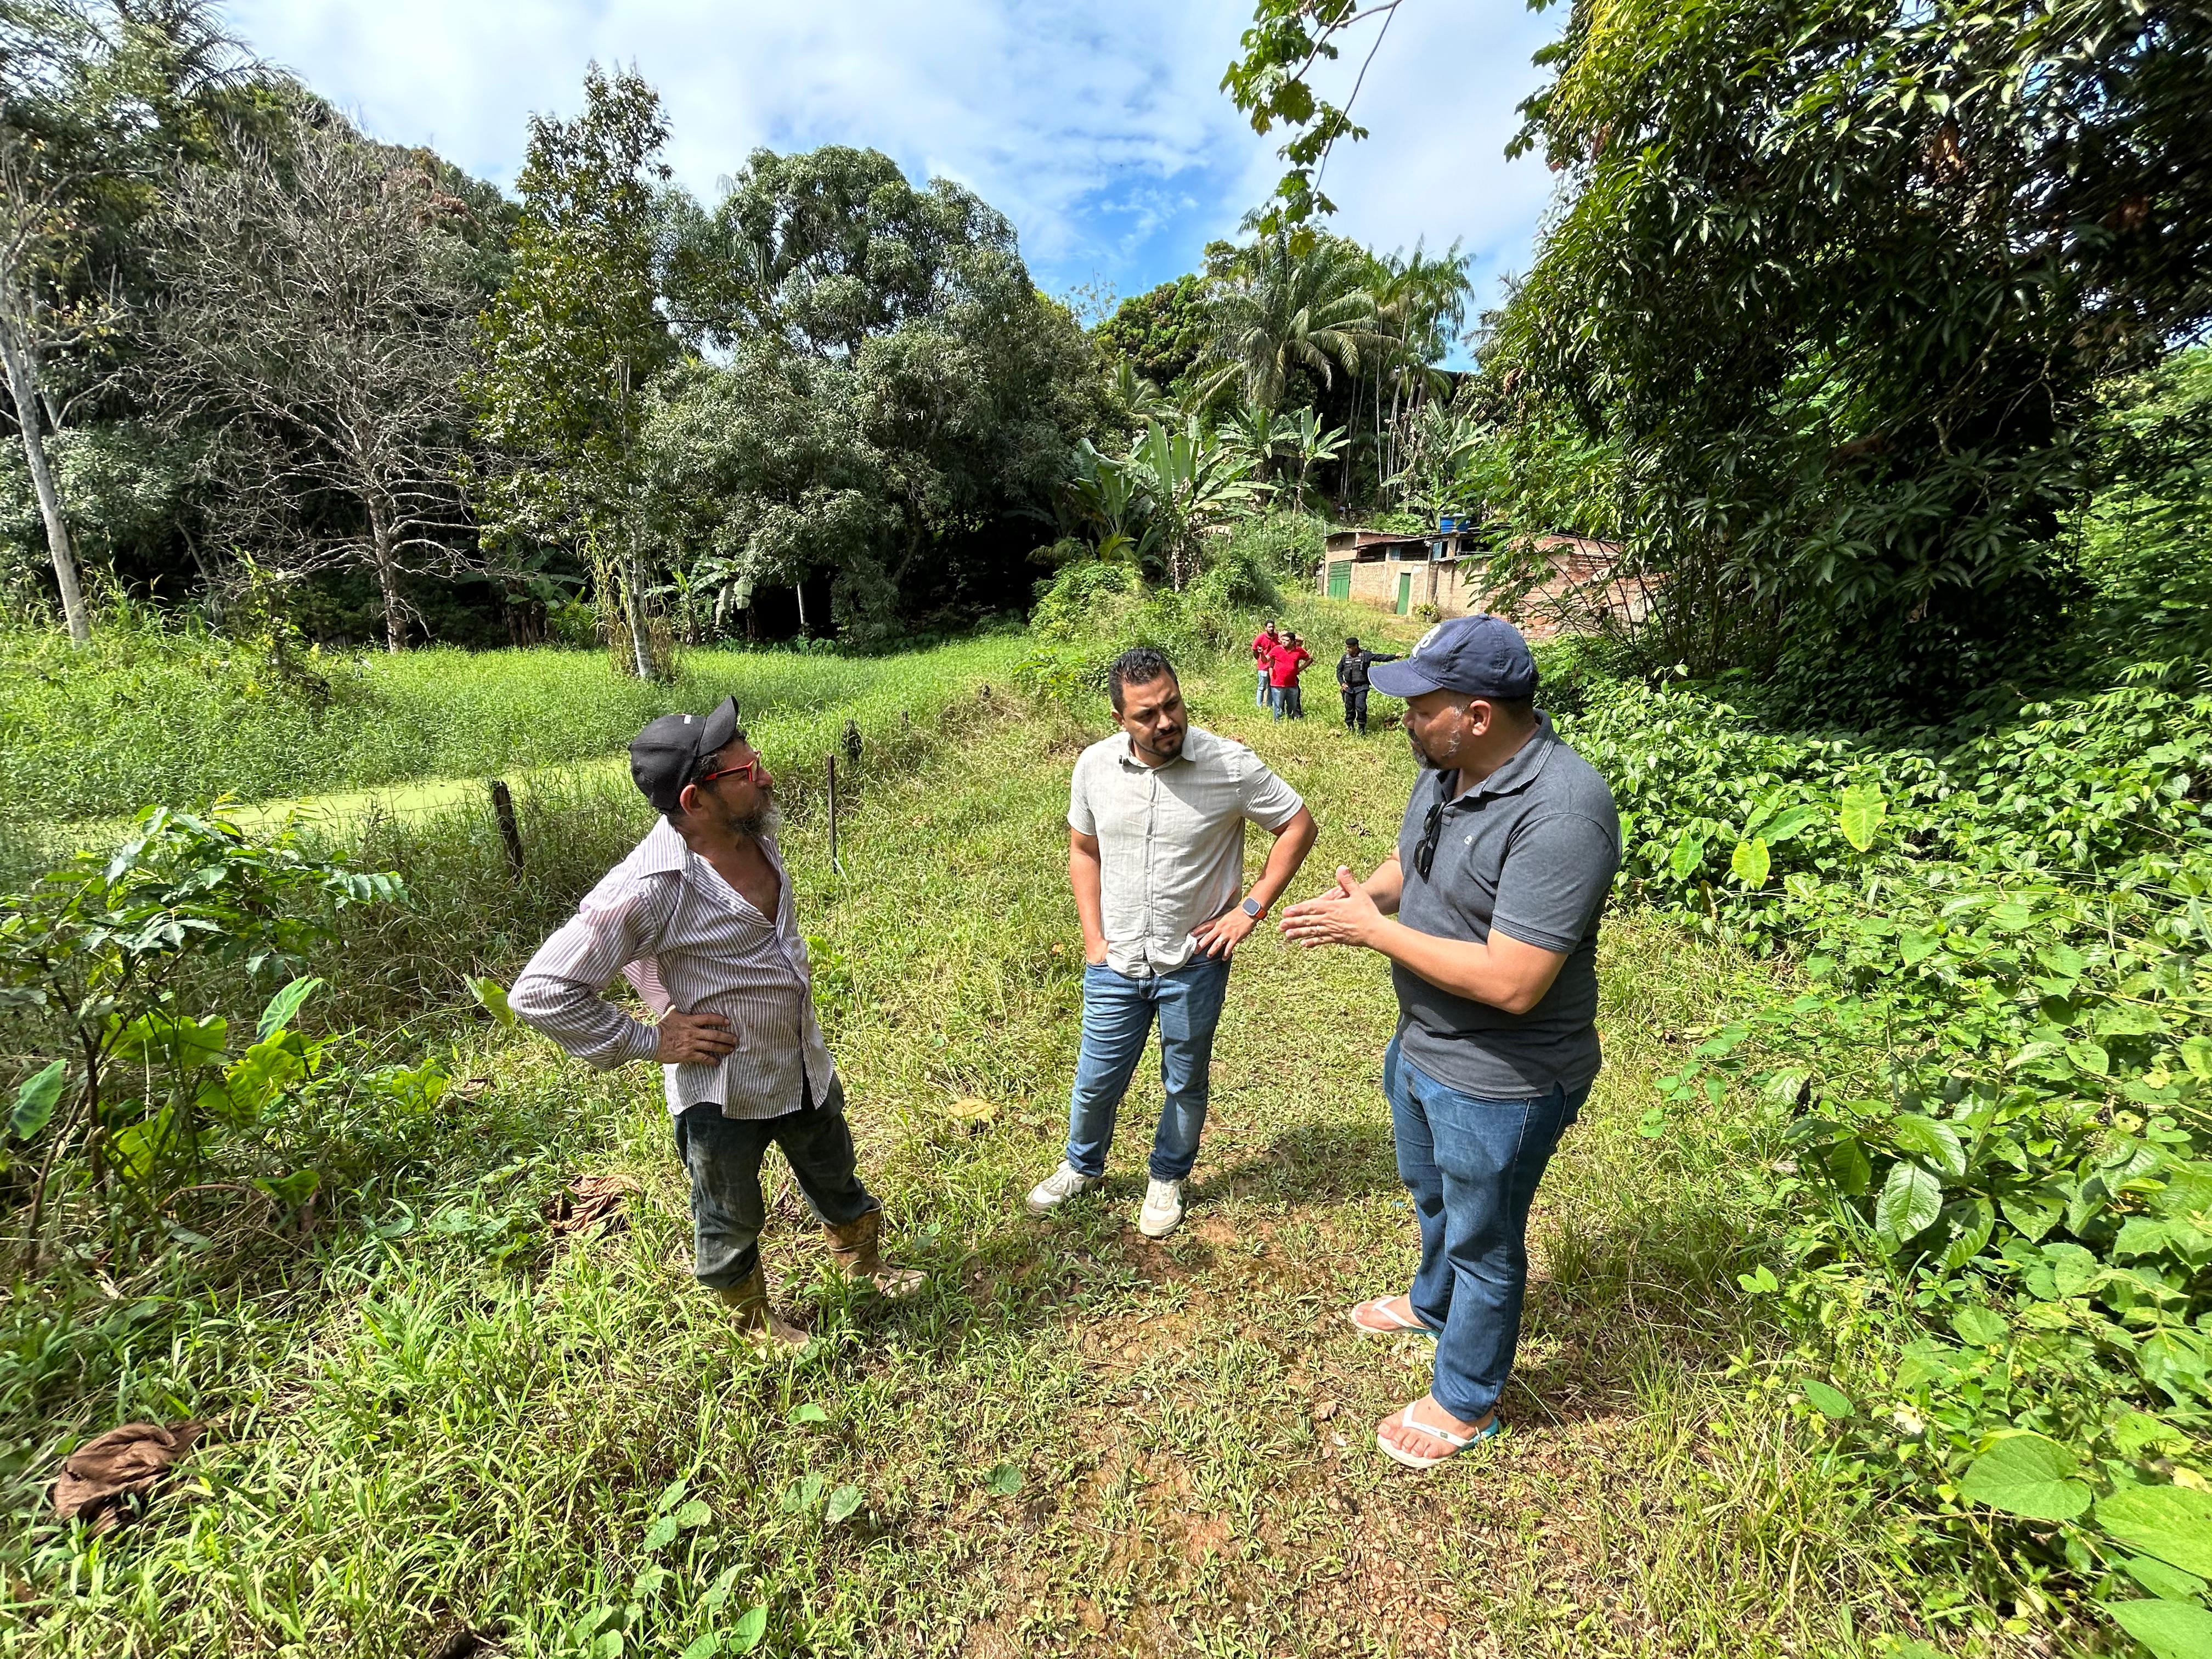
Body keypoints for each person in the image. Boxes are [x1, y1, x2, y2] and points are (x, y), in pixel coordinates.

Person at [1280, 616, 1620, 1471]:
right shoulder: (1448, 769)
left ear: (1475, 713)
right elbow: (1412, 862)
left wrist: (1374, 935)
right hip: (1426, 1041)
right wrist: (1372, 900)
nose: (1402, 718)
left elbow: (1514, 980)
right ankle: (1435, 1304)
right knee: (1430, 1194)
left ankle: (1467, 1396)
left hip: (1504, 1074)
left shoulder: (1564, 811)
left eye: (1419, 706)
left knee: (1486, 1236)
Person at [509, 697, 921, 1352]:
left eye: (754, 762)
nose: (766, 777)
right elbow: (541, 990)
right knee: (729, 1212)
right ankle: (754, 1323)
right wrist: (656, 1035)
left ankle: (864, 1264)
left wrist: (655, 994)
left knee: (834, 1170)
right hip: (722, 1090)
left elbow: (645, 949)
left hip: (800, 1061)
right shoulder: (647, 885)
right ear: (697, 799)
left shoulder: (754, 832)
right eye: (747, 770)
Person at [1026, 646, 1318, 1237]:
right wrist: (1093, 937)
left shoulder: (1229, 764)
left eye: (1172, 705)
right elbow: (1083, 851)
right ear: (1120, 720)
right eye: (1146, 715)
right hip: (1117, 960)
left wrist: (1250, 910)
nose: (1165, 723)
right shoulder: (1094, 768)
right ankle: (1082, 1166)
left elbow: (1298, 825)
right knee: (1096, 1077)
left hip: (1193, 962)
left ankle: (1167, 1175)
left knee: (1185, 1077)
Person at [1336, 635, 1402, 736]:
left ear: (1356, 646)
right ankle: (1350, 727)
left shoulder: (1366, 655)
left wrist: (1394, 656)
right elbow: (1339, 670)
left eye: (1350, 647)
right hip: (1349, 688)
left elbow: (1380, 657)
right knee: (1349, 708)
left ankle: (1362, 729)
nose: (1348, 649)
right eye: (1347, 647)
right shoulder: (1345, 658)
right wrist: (1342, 683)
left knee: (1361, 707)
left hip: (1362, 687)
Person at [1267, 630, 1313, 720]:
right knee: (1278, 707)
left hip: (1292, 684)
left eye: (1287, 640)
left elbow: (1309, 659)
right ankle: (1278, 724)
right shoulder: (1277, 649)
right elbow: (1266, 661)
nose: (1284, 642)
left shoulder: (1298, 651)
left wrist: (1299, 669)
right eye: (1283, 640)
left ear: (1292, 642)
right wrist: (1261, 654)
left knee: (1292, 707)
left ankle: (1290, 722)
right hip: (1278, 684)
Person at [1251, 619, 1282, 710]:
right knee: (1262, 687)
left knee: (1272, 687)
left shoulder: (1277, 637)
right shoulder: (1261, 637)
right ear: (1266, 628)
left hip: (1274, 666)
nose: (1271, 629)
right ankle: (1259, 706)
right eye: (1270, 627)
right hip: (1263, 667)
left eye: (1273, 627)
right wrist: (1258, 659)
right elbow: (1254, 648)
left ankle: (1269, 706)